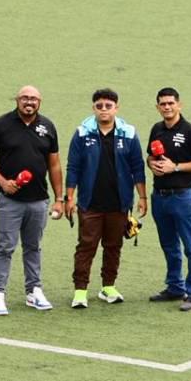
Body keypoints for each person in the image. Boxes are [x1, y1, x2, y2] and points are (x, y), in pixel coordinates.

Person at [0, 85, 65, 315]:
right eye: (25, 98)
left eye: (34, 99)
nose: (29, 102)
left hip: (39, 201)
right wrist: (3, 181)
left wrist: (59, 198)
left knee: (33, 247)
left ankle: (33, 291)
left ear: (40, 102)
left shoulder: (48, 127)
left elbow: (54, 165)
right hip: (10, 201)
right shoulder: (1, 125)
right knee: (5, 247)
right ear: (17, 100)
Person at [64, 88, 147, 309]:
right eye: (99, 106)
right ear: (93, 108)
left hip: (119, 203)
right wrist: (69, 197)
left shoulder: (129, 133)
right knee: (87, 246)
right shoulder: (82, 133)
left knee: (113, 246)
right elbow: (73, 167)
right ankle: (80, 291)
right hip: (90, 202)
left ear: (116, 108)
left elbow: (137, 167)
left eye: (108, 106)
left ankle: (108, 287)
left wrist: (142, 196)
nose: (103, 110)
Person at [146, 86, 191, 312]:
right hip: (160, 197)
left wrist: (176, 167)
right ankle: (175, 287)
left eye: (171, 103)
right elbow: (150, 156)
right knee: (169, 244)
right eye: (163, 104)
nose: (167, 107)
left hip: (182, 197)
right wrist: (152, 164)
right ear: (157, 107)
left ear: (179, 105)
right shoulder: (156, 129)